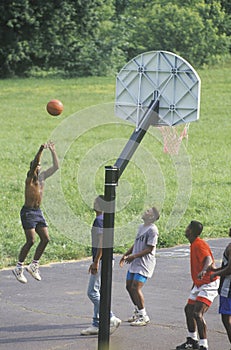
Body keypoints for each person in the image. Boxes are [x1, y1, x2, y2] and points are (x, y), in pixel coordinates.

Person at [12, 141, 59, 284]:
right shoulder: (30, 179)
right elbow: (34, 164)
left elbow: (56, 167)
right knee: (31, 240)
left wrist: (53, 150)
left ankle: (34, 265)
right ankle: (19, 267)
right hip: (28, 212)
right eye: (36, 166)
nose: (39, 167)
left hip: (38, 212)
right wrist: (40, 150)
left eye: (40, 166)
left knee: (45, 239)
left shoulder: (42, 177)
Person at [176, 221, 220, 350]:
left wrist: (203, 270)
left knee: (197, 313)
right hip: (200, 283)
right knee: (188, 310)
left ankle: (203, 345)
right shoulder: (194, 244)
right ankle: (192, 341)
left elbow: (208, 259)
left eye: (187, 227)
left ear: (191, 231)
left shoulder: (199, 244)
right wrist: (195, 282)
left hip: (209, 283)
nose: (186, 229)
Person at [80, 195, 121, 336]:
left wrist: (96, 261)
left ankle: (110, 317)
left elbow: (102, 241)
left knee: (92, 292)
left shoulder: (99, 220)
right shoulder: (104, 220)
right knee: (98, 290)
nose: (93, 203)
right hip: (107, 260)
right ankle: (96, 323)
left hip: (102, 260)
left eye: (96, 202)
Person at [119, 206, 160, 326]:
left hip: (144, 263)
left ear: (152, 217)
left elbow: (149, 248)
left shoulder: (153, 230)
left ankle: (144, 316)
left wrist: (134, 256)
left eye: (148, 211)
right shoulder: (141, 227)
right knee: (128, 286)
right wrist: (127, 254)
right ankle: (137, 310)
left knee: (136, 287)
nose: (145, 212)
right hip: (135, 261)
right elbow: (136, 243)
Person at [208, 227, 231, 347]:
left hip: (228, 289)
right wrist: (216, 269)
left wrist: (215, 274)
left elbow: (230, 269)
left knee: (226, 318)